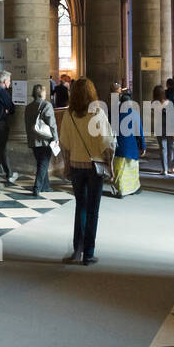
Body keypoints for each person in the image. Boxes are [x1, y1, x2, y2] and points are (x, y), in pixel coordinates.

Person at [59, 77, 114, 264]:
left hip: (75, 165)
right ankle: (89, 253)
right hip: (94, 167)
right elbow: (106, 143)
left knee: (80, 206)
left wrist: (67, 163)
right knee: (93, 210)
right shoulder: (97, 113)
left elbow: (64, 143)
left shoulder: (69, 114)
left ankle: (78, 249)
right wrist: (111, 164)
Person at [25, 83, 58, 196]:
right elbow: (52, 124)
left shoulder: (28, 107)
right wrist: (56, 138)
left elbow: (27, 124)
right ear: (42, 93)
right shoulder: (46, 105)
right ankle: (37, 187)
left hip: (33, 140)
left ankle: (46, 186)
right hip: (45, 140)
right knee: (43, 164)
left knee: (41, 163)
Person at [112, 91, 145, 197]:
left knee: (120, 170)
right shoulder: (134, 114)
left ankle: (121, 189)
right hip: (131, 147)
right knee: (131, 169)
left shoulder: (115, 115)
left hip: (118, 147)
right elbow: (139, 133)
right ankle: (132, 189)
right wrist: (142, 146)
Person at [152, 85, 174, 175]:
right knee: (170, 148)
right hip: (170, 127)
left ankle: (164, 169)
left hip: (159, 127)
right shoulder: (169, 103)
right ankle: (170, 167)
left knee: (163, 148)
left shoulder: (154, 103)